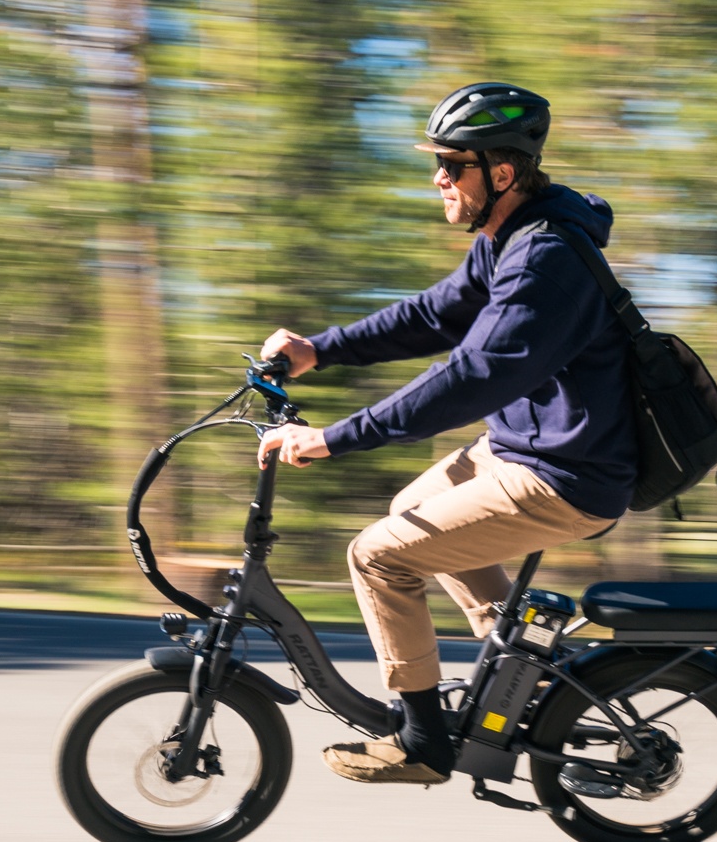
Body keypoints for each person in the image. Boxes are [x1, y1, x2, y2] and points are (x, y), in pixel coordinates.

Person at [255, 82, 634, 786]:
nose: (438, 178)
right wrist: (319, 349)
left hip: (566, 474)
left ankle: (425, 743)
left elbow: (471, 378)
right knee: (410, 512)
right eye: (439, 162)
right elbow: (435, 315)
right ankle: (533, 675)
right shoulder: (509, 238)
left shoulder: (545, 258)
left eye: (452, 164)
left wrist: (335, 438)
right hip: (526, 447)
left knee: (378, 557)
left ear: (502, 173)